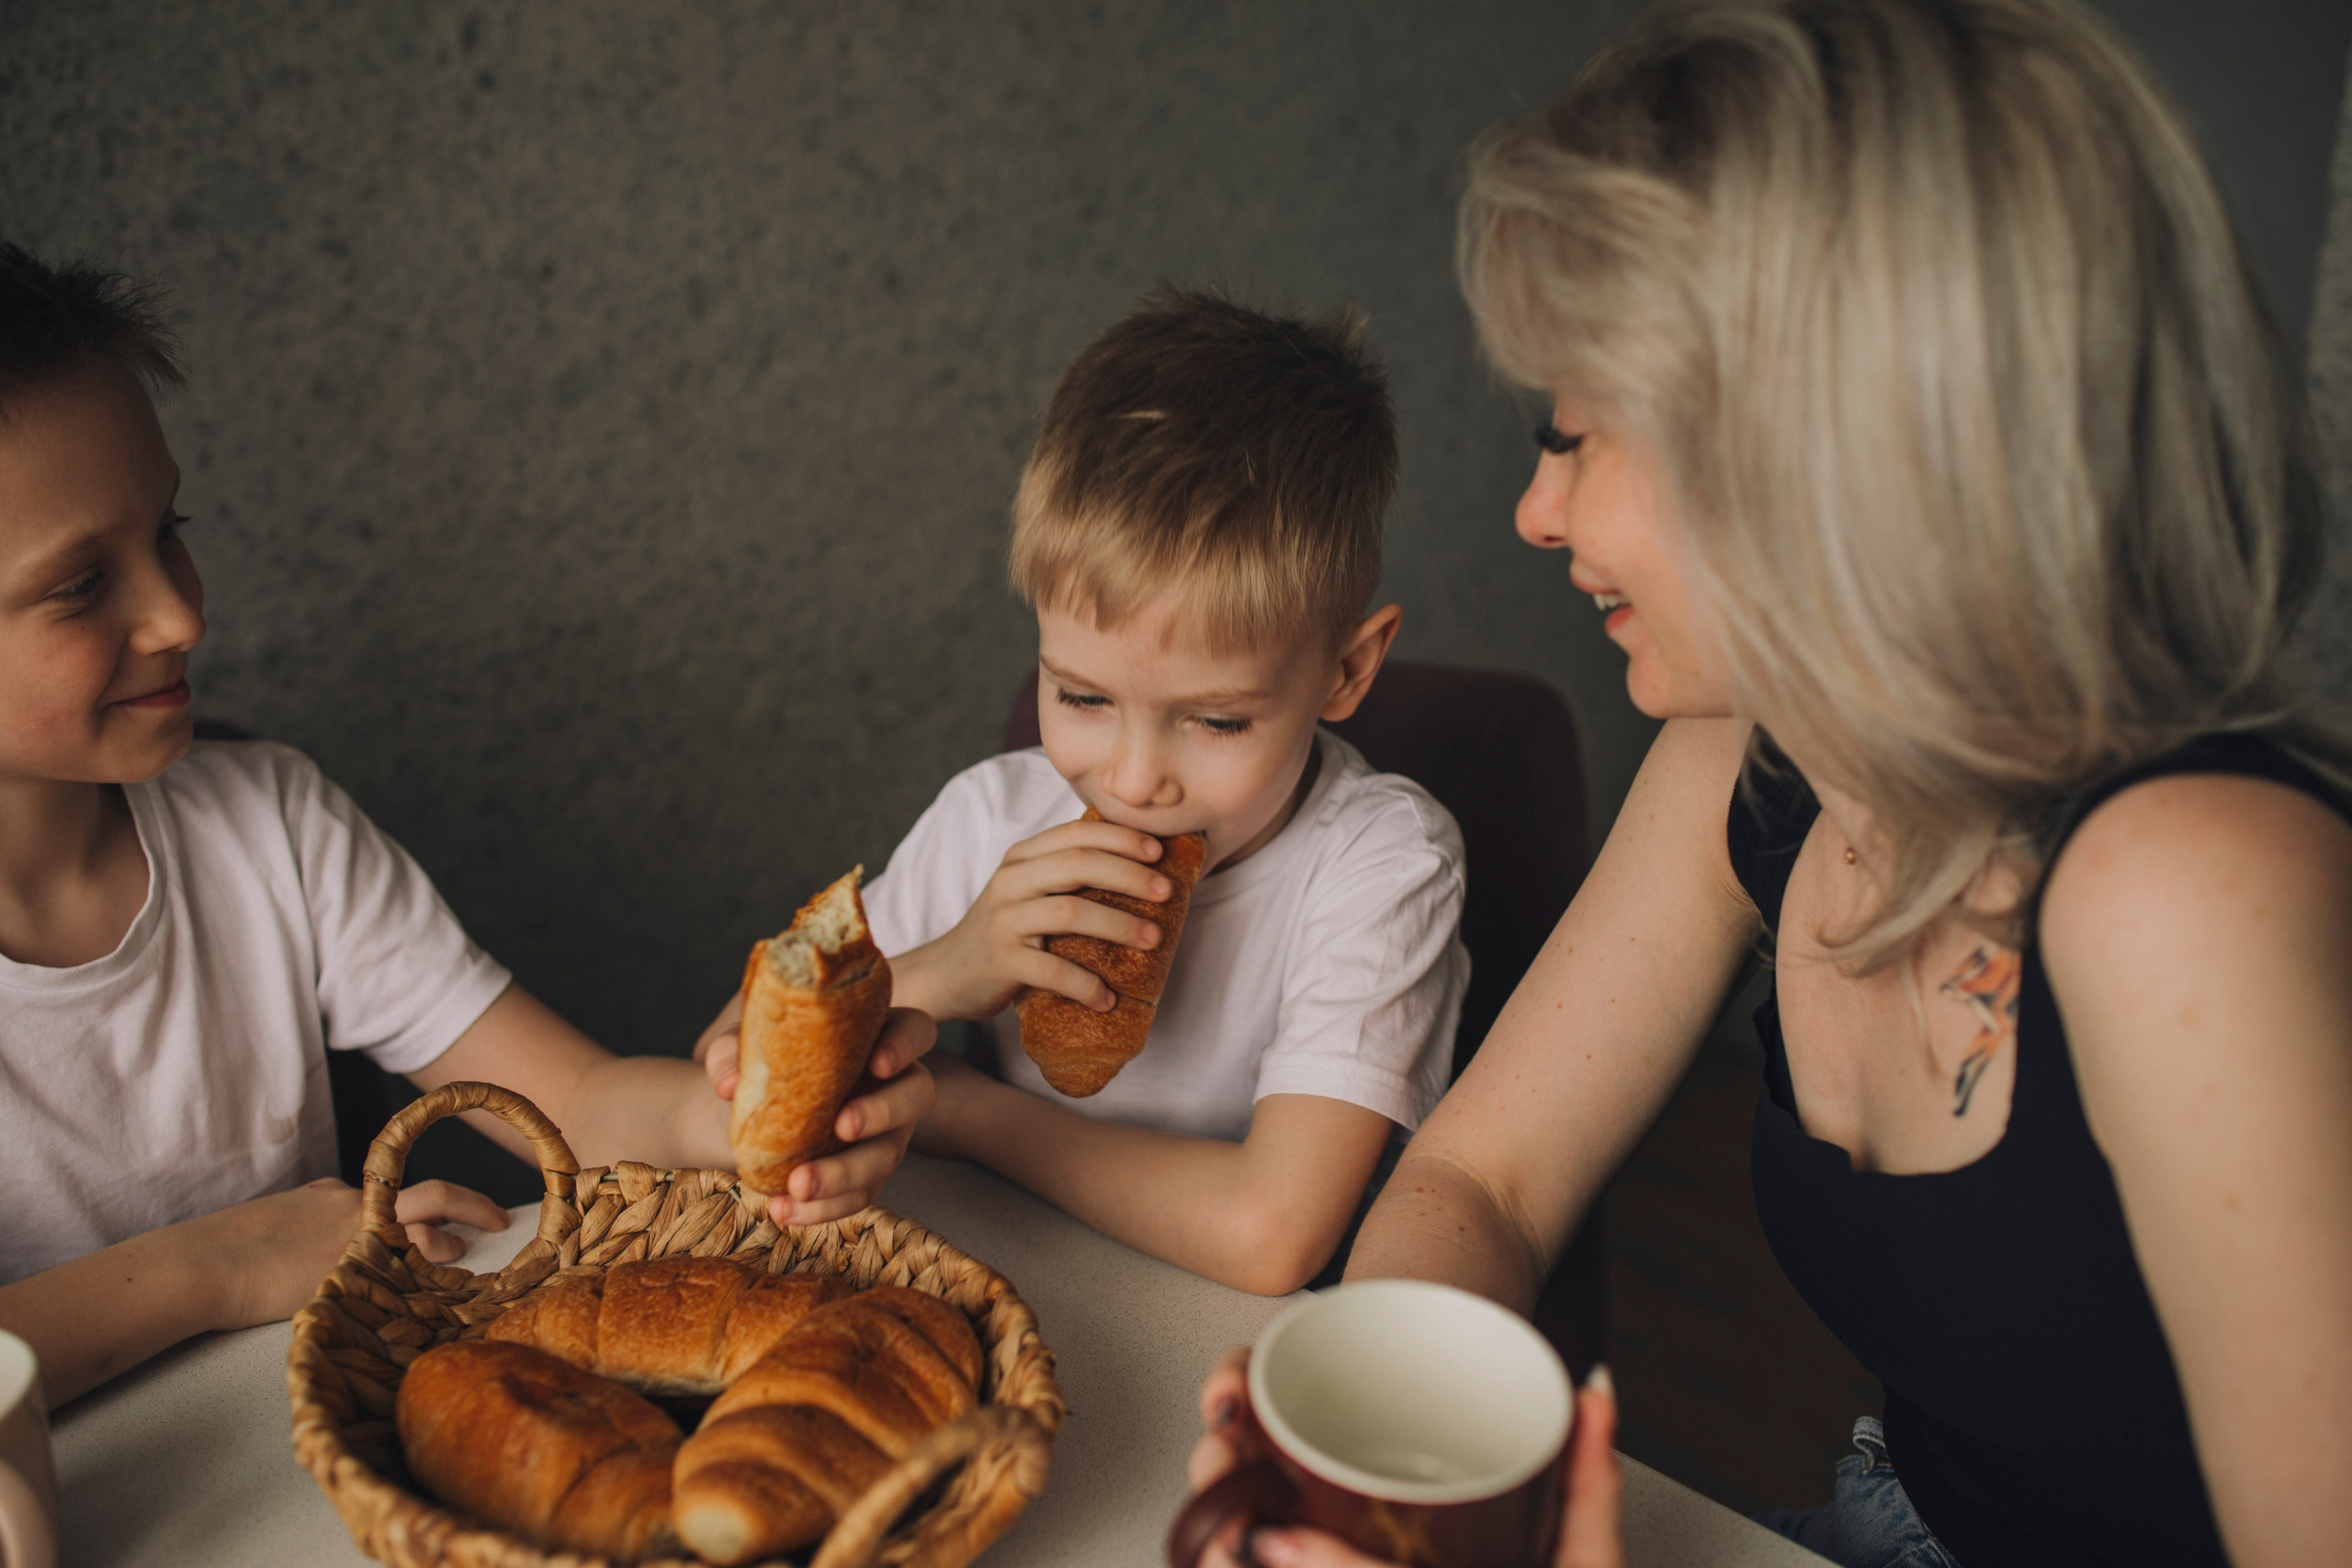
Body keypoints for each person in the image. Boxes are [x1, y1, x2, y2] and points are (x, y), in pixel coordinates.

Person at [1188, 2, 2352, 1566]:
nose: (1537, 511)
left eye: (1576, 433)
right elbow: (1483, 1176)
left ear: (1818, 445)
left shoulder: (2193, 882)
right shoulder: (1759, 758)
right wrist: (1390, 1478)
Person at [0, 243, 935, 1406]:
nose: (179, 614)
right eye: (80, 585)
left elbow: (574, 1103)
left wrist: (739, 1117)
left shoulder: (269, 823)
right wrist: (221, 1263)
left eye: (169, 530)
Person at [705, 288, 1468, 1296]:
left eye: (1217, 720)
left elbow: (1270, 1234)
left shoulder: (1383, 860)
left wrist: (963, 1110)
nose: (1135, 778)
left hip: (1238, 1333)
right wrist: (948, 967)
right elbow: (734, 1059)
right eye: (1082, 697)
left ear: (1347, 670)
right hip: (995, 1284)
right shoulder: (991, 816)